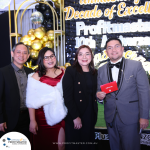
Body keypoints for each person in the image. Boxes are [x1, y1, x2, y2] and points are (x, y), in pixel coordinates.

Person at [97, 37, 150, 150]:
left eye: (116, 46)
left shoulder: (136, 66)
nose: (113, 50)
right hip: (110, 118)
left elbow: (144, 92)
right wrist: (99, 97)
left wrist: (144, 117)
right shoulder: (101, 70)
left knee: (131, 147)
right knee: (114, 147)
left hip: (130, 117)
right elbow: (99, 92)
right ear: (106, 52)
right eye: (109, 48)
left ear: (122, 49)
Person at [26, 47, 66, 150]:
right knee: (44, 145)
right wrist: (32, 120)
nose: (50, 60)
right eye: (46, 58)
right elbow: (31, 102)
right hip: (42, 117)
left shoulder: (63, 72)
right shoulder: (36, 76)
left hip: (60, 114)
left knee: (61, 145)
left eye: (52, 56)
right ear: (41, 60)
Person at [63, 45, 98, 150]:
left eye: (87, 54)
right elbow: (67, 96)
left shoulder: (94, 72)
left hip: (90, 115)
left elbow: (93, 94)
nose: (84, 57)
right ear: (76, 56)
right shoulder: (71, 71)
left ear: (91, 56)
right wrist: (75, 117)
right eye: (81, 54)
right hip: (76, 115)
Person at [0, 42, 33, 138]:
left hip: (26, 119)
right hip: (9, 119)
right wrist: (0, 119)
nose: (21, 55)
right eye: (18, 52)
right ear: (12, 53)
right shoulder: (3, 72)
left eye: (24, 53)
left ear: (28, 56)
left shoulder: (30, 72)